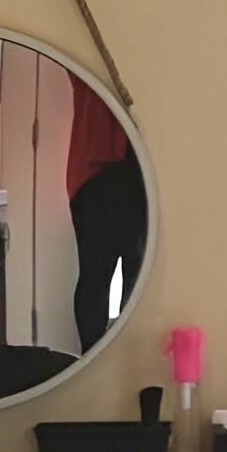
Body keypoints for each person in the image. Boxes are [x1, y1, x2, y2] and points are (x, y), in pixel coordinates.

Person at [68, 75, 146, 351]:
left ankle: (121, 363)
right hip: (95, 172)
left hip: (135, 166)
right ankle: (93, 359)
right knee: (96, 279)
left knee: (137, 279)